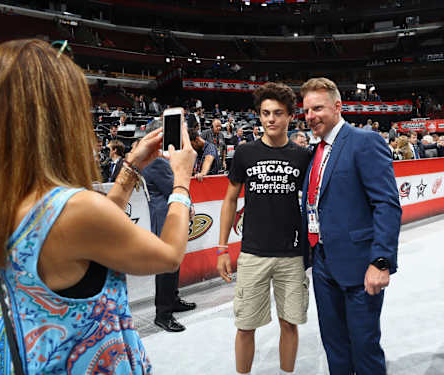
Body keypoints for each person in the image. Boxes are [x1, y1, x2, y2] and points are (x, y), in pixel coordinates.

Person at [0, 39, 196, 375]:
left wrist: (130, 167)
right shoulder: (73, 210)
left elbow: (88, 234)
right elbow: (168, 255)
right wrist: (182, 179)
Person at [300, 77, 401, 375]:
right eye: (306, 111)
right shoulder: (314, 152)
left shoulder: (364, 141)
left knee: (364, 348)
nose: (311, 116)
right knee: (334, 347)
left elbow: (386, 204)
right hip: (323, 264)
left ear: (337, 107)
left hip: (360, 267)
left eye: (317, 108)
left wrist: (381, 261)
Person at [217, 82, 312, 375]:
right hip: (253, 253)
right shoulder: (245, 153)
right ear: (259, 116)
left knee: (289, 323)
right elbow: (230, 199)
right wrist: (222, 248)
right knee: (245, 326)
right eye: (266, 113)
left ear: (289, 117)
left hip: (292, 255)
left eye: (278, 113)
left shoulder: (303, 156)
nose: (271, 119)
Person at [141, 157, 197, 333]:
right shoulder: (157, 162)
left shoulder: (151, 160)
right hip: (167, 218)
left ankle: (172, 300)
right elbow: (175, 189)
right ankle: (163, 314)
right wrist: (190, 205)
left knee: (172, 262)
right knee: (167, 265)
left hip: (165, 217)